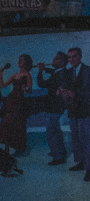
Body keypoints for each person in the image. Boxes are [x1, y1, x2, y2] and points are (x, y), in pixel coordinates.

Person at [36, 51, 69, 166]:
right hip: (57, 108)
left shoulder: (58, 74)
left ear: (63, 62)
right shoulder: (61, 72)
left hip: (53, 108)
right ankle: (61, 151)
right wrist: (45, 69)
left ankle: (58, 157)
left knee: (51, 133)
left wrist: (40, 71)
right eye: (54, 59)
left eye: (57, 59)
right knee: (57, 131)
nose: (53, 61)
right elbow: (54, 72)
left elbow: (41, 84)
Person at [63, 47, 90, 181]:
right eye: (69, 57)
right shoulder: (68, 72)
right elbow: (66, 90)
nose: (71, 59)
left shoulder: (88, 71)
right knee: (76, 139)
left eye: (74, 56)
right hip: (72, 112)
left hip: (85, 112)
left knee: (86, 140)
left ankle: (89, 167)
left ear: (80, 56)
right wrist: (64, 94)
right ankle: (81, 162)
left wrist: (75, 95)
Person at [0, 54, 33, 155]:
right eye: (19, 60)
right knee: (6, 123)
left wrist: (25, 89)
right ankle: (7, 147)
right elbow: (2, 85)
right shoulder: (15, 75)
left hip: (19, 101)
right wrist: (1, 74)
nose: (19, 62)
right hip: (11, 100)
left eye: (21, 60)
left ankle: (17, 147)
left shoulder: (27, 75)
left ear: (25, 62)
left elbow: (30, 91)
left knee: (16, 123)